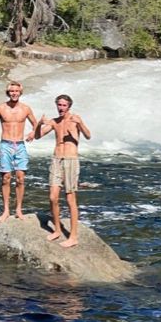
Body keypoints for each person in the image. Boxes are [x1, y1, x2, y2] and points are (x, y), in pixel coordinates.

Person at [35, 94, 91, 249]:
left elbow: (88, 135)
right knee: (53, 197)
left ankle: (73, 237)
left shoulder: (75, 119)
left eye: (64, 105)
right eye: (59, 105)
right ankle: (58, 230)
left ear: (69, 106)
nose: (61, 108)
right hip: (56, 160)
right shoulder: (54, 121)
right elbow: (37, 136)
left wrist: (81, 123)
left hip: (71, 160)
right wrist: (39, 123)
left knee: (70, 198)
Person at [0, 82, 38, 222]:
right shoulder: (1, 108)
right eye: (12, 91)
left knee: (20, 178)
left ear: (21, 92)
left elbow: (35, 124)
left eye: (17, 91)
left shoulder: (25, 109)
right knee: (6, 178)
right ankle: (6, 210)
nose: (14, 93)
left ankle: (19, 209)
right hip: (6, 145)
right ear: (8, 93)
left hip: (20, 145)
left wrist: (33, 133)